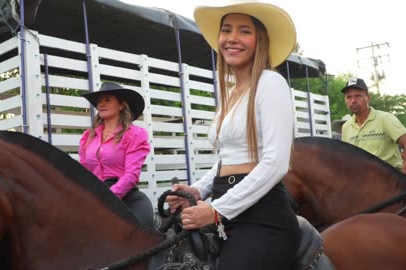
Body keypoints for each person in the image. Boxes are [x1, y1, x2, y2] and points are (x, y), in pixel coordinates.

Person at [166, 2, 301, 269]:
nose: (232, 38)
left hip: (262, 218)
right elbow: (227, 157)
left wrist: (218, 209)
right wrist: (198, 190)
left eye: (244, 31)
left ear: (259, 40)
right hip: (228, 207)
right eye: (226, 30)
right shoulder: (232, 93)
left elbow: (276, 163)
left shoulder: (270, 82)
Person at [79, 82, 154, 228]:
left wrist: (107, 198)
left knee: (136, 237)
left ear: (121, 105)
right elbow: (83, 172)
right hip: (95, 198)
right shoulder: (88, 136)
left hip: (128, 199)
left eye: (107, 99)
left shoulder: (135, 134)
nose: (101, 104)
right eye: (99, 101)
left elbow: (131, 175)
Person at [341, 78, 406, 175]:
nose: (353, 101)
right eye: (349, 97)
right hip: (358, 183)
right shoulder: (346, 127)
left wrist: (401, 180)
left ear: (368, 97)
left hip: (387, 182)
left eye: (358, 96)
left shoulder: (385, 119)